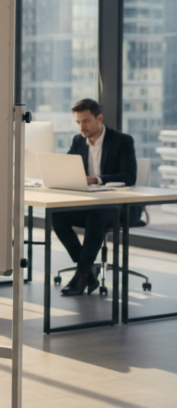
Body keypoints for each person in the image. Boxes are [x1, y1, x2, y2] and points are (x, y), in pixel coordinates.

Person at [54, 98, 137, 296]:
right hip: (92, 204)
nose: (81, 126)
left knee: (96, 217)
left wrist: (96, 179)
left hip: (121, 207)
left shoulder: (122, 141)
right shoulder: (78, 141)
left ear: (99, 118)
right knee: (57, 215)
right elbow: (66, 167)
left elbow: (129, 176)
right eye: (78, 122)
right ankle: (88, 271)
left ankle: (81, 275)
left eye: (86, 121)